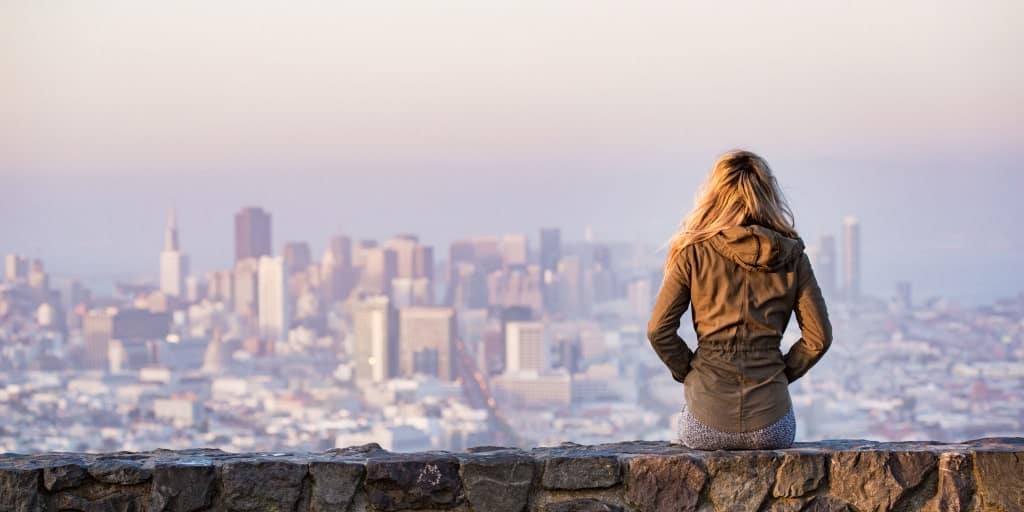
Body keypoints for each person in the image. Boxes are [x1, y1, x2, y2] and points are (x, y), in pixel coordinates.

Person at [647, 149, 832, 450]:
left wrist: (691, 372)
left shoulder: (693, 253)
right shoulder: (793, 256)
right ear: (768, 194)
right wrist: (780, 374)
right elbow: (818, 338)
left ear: (714, 195)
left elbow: (658, 331)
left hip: (704, 421)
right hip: (772, 425)